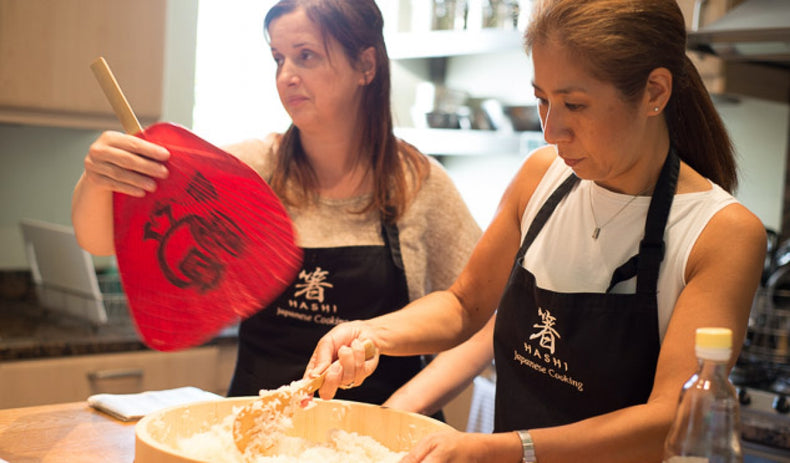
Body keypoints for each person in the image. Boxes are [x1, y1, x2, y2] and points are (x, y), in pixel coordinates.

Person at [304, 0, 767, 461]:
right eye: (542, 100)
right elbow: (465, 304)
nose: (551, 130)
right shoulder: (541, 177)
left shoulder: (720, 233)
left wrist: (503, 449)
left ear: (654, 92)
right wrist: (370, 334)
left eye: (574, 104)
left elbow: (669, 417)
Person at [70, 0, 481, 409]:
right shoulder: (250, 168)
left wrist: (404, 408)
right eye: (278, 58)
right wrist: (97, 177)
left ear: (366, 66)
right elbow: (100, 240)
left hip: (381, 439)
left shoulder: (418, 183)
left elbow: (482, 316)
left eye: (306, 56)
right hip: (258, 429)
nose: (286, 76)